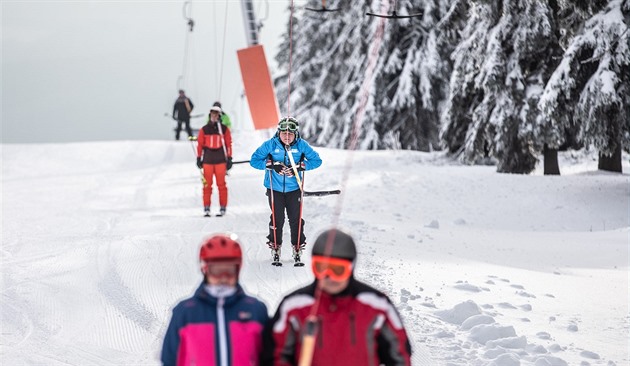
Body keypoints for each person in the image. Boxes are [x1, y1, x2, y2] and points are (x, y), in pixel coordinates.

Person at [262, 228, 412, 366]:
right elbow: (275, 354)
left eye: (338, 270)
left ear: (351, 268)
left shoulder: (376, 306)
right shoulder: (295, 307)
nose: (330, 278)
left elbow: (399, 356)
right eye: (321, 268)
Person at [161, 233, 269, 366]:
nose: (223, 277)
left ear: (238, 269)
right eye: (217, 271)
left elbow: (269, 357)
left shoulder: (255, 310)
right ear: (205, 269)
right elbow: (170, 359)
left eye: (229, 270)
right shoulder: (185, 313)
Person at [249, 116, 322, 261]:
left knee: (295, 219)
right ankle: (275, 245)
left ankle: (297, 246)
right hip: (274, 188)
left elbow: (317, 161)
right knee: (277, 218)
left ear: (296, 134)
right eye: (284, 133)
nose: (287, 137)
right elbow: (254, 160)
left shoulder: (301, 145)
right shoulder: (270, 144)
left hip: (294, 188)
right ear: (279, 132)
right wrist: (271, 165)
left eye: (290, 134)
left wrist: (302, 166)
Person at [196, 106, 233, 217]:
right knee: (207, 185)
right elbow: (200, 145)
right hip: (207, 160)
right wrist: (198, 158)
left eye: (216, 114)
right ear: (210, 115)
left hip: (220, 160)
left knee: (221, 185)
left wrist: (230, 158)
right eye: (212, 114)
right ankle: (206, 207)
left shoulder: (224, 129)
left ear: (219, 116)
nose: (214, 116)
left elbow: (228, 144)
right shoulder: (204, 129)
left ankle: (223, 207)